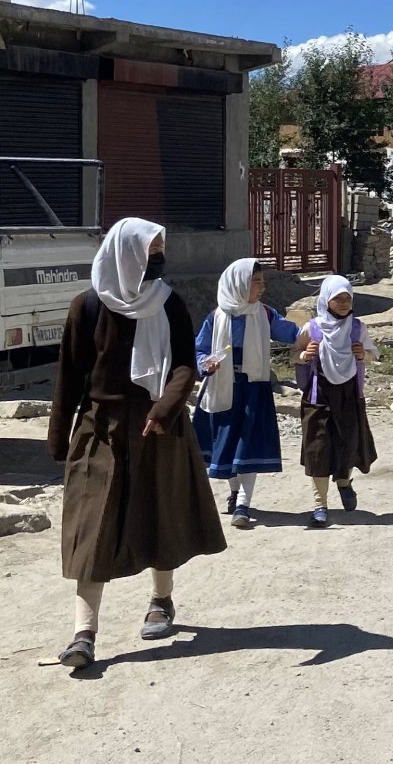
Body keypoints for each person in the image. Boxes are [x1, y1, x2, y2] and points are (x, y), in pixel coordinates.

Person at [47, 218, 226, 670]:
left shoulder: (169, 305)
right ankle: (83, 632)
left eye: (161, 248)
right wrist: (57, 439)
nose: (159, 258)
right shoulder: (87, 307)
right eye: (152, 249)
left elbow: (185, 364)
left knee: (158, 514)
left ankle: (160, 602)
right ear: (126, 253)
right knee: (91, 527)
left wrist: (165, 407)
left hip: (157, 428)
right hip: (99, 430)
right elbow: (69, 378)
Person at [192, 259, 299, 529]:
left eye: (262, 282)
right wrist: (206, 364)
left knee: (247, 442)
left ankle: (243, 502)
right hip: (224, 385)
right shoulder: (216, 318)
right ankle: (233, 491)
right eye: (257, 282)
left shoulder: (263, 314)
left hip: (254, 386)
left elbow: (290, 333)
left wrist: (319, 334)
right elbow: (200, 350)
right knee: (227, 441)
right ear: (238, 284)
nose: (262, 288)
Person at [291, 275, 379, 528]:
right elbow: (294, 355)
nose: (342, 303)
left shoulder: (357, 328)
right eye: (337, 298)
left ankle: (343, 481)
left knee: (347, 443)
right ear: (325, 300)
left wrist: (365, 354)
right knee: (317, 450)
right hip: (318, 397)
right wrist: (304, 355)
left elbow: (372, 353)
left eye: (347, 298)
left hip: (349, 395)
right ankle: (320, 506)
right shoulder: (312, 328)